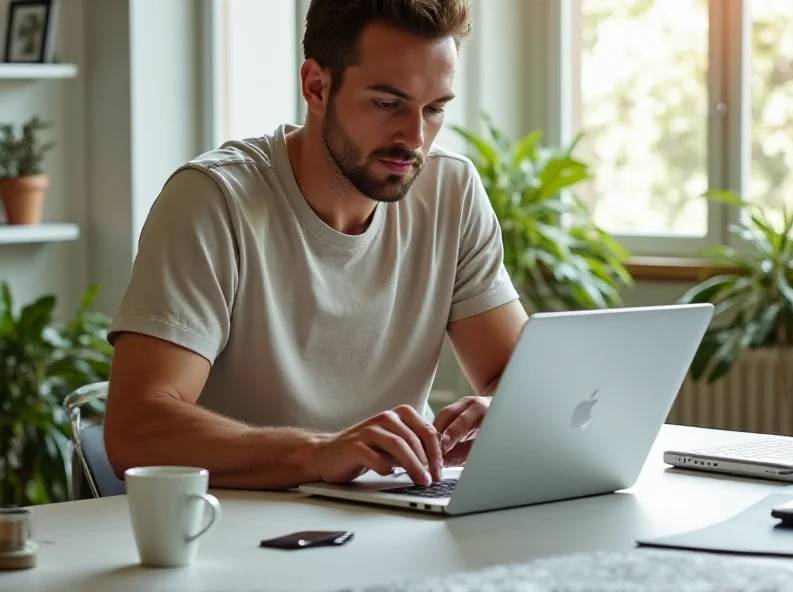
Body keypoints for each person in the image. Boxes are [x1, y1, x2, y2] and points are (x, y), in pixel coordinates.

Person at [103, 0, 529, 491]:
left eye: (434, 109)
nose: (414, 139)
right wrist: (319, 452)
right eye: (388, 103)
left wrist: (502, 411)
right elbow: (136, 430)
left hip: (398, 520)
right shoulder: (214, 199)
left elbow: (511, 375)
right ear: (316, 86)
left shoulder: (450, 192)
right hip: (245, 534)